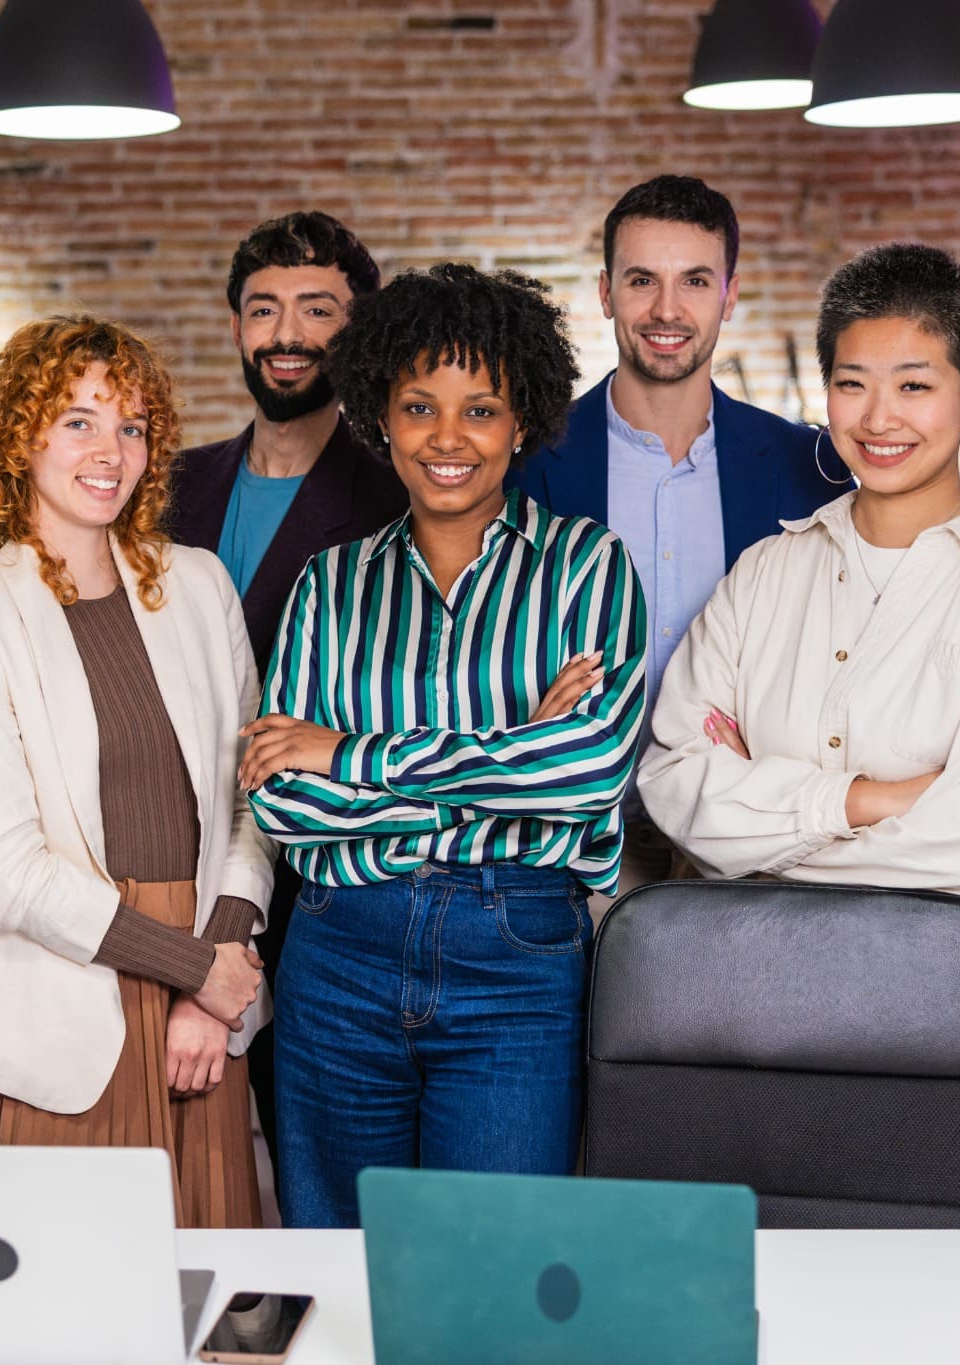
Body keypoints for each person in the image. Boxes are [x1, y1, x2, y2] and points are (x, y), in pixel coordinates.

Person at [637, 242, 960, 1153]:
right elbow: (674, 778)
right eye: (852, 384)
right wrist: (864, 802)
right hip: (754, 1018)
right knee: (769, 1284)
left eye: (916, 386)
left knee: (935, 1290)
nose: (879, 418)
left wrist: (762, 844)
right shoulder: (766, 573)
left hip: (954, 1025)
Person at [243, 264, 649, 1227]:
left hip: (517, 952)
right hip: (339, 947)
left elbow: (589, 772)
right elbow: (279, 801)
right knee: (338, 1265)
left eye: (482, 409)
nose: (449, 438)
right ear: (382, 417)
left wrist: (348, 752)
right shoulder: (331, 582)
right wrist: (512, 753)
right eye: (420, 406)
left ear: (523, 423)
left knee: (491, 1270)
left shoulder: (586, 566)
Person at [0, 315, 274, 1228]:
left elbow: (254, 798)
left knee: (212, 1307)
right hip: (62, 1016)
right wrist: (198, 966)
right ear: (20, 437)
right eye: (78, 420)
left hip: (202, 1014)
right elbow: (1, 868)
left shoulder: (198, 584)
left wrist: (215, 978)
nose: (110, 450)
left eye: (133, 426)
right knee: (67, 1315)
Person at [515, 175, 847, 896]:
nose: (667, 309)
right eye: (642, 280)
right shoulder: (526, 465)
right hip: (578, 845)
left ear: (729, 295)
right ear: (605, 293)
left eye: (694, 280)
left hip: (750, 837)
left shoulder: (811, 470)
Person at [165, 210, 409, 1176]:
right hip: (170, 873)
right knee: (186, 1154)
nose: (287, 333)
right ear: (234, 327)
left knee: (307, 1155)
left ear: (360, 327)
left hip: (322, 889)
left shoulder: (397, 495)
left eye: (317, 308)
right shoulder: (173, 487)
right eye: (262, 308)